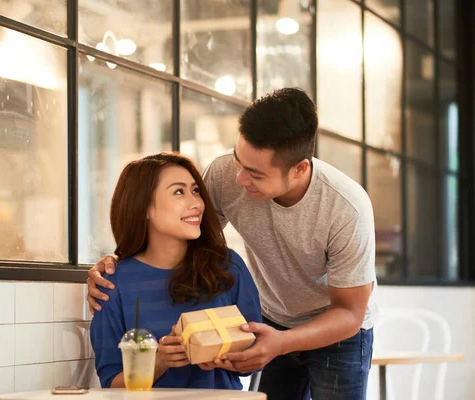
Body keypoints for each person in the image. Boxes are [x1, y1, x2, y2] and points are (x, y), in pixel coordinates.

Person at [87, 88, 376, 400]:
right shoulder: (226, 173)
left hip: (336, 326)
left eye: (254, 173)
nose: (238, 178)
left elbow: (349, 312)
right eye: (238, 160)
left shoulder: (347, 208)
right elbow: (178, 229)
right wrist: (118, 262)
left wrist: (280, 342)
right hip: (273, 318)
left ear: (299, 169)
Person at [89, 152, 262, 390]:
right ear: (143, 208)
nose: (197, 203)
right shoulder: (113, 284)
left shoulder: (227, 267)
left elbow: (256, 358)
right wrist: (159, 361)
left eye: (195, 191)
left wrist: (223, 357)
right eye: (179, 192)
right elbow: (111, 383)